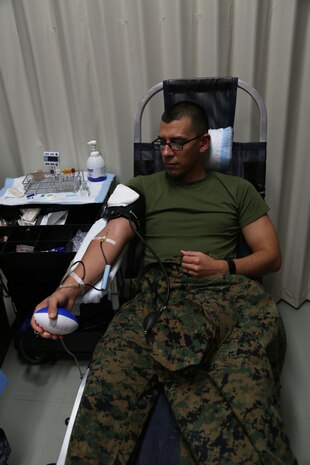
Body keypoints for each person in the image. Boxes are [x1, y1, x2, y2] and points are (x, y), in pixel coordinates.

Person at [31, 102, 296, 464]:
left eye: (178, 143)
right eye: (162, 142)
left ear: (203, 143)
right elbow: (111, 237)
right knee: (110, 377)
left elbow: (271, 255)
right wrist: (70, 287)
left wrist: (223, 266)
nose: (166, 153)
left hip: (225, 294)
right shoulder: (142, 187)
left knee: (246, 384)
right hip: (158, 296)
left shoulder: (238, 190)